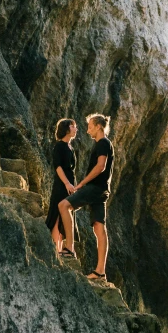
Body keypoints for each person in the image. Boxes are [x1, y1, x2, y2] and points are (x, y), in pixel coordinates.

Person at [58, 113, 114, 280]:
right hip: (103, 190)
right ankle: (100, 272)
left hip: (95, 188)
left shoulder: (103, 143)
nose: (88, 130)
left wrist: (82, 183)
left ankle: (69, 248)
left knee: (63, 206)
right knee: (99, 228)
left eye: (90, 126)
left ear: (98, 127)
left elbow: (100, 166)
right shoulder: (104, 144)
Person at [45, 118, 77, 255]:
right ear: (67, 128)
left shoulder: (70, 147)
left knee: (66, 214)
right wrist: (67, 183)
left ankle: (63, 247)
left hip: (70, 184)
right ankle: (55, 249)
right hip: (62, 184)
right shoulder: (59, 146)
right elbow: (58, 167)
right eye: (73, 126)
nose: (76, 129)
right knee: (57, 215)